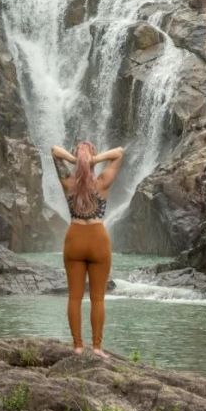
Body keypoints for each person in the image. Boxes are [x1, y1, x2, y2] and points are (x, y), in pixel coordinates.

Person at [51, 142, 125, 357]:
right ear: (93, 158)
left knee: (74, 297)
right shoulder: (102, 182)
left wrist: (78, 160)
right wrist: (92, 160)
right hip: (98, 239)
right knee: (98, 298)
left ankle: (77, 346)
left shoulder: (68, 182)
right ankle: (97, 347)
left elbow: (55, 150)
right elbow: (119, 152)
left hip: (74, 238)